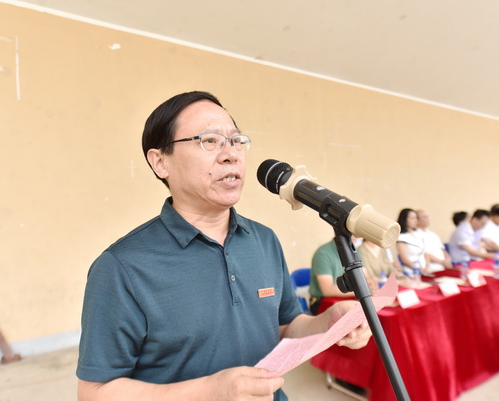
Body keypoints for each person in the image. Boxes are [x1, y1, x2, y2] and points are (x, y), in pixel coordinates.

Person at [76, 91, 372, 401]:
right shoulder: (121, 266)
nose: (231, 154)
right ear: (160, 162)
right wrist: (210, 392)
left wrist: (328, 323)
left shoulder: (263, 240)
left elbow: (286, 325)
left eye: (236, 140)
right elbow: (94, 392)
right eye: (210, 140)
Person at [308, 236, 363, 315]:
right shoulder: (323, 253)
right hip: (322, 302)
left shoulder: (354, 251)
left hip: (347, 296)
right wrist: (360, 289)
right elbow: (327, 290)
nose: (356, 236)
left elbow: (365, 276)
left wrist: (371, 285)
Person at [395, 208, 427, 274]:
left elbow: (424, 253)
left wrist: (427, 266)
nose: (415, 221)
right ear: (404, 219)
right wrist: (418, 269)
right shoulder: (401, 237)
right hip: (411, 272)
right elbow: (405, 259)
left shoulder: (418, 234)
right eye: (412, 218)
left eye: (416, 218)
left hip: (424, 270)